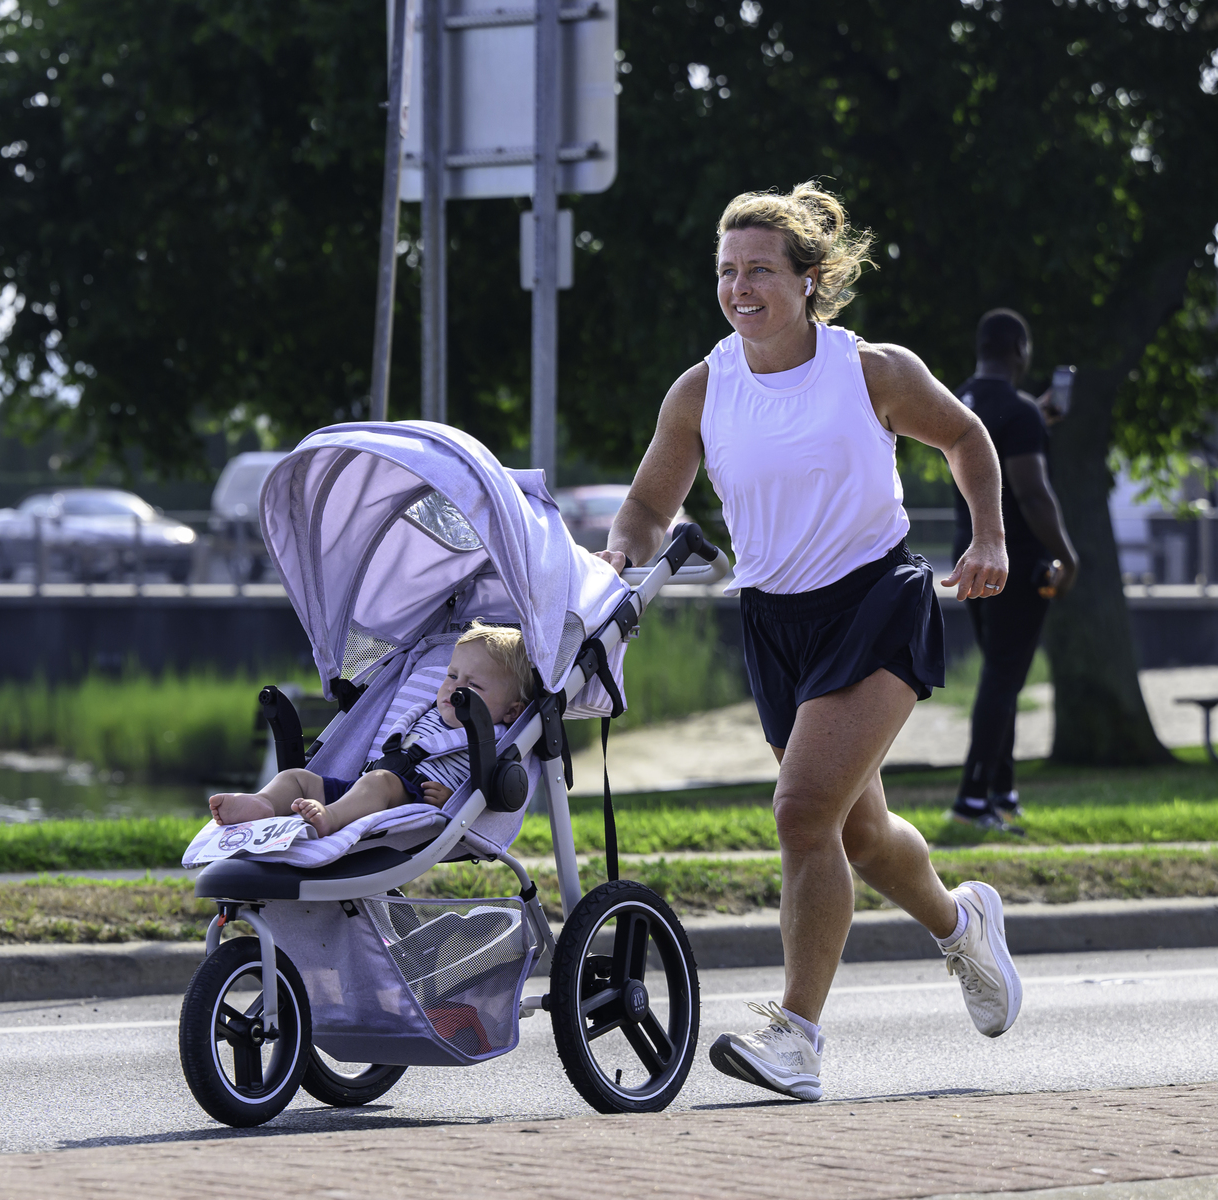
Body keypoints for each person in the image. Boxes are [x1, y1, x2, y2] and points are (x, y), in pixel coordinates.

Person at [598, 182, 1022, 1102]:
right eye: (726, 271)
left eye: (758, 270)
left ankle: (797, 1036)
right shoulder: (704, 387)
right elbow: (645, 505)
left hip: (875, 602)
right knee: (859, 831)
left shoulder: (871, 371)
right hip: (777, 623)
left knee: (800, 813)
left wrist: (987, 535)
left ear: (811, 278)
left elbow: (967, 436)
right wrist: (620, 558)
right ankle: (963, 925)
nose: (740, 288)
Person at [206, 621, 531, 838]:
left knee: (381, 781)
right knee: (298, 778)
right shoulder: (426, 711)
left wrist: (453, 801)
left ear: (511, 710)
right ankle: (263, 803)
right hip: (365, 787)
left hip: (410, 802)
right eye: (451, 676)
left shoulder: (496, 738)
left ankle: (329, 819)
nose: (454, 689)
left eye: (473, 685)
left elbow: (483, 788)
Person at [949, 309, 1079, 830]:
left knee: (999, 676)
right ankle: (971, 799)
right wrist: (1068, 556)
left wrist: (1035, 417)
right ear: (1020, 351)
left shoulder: (960, 399)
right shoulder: (1020, 413)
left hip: (968, 555)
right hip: (1015, 563)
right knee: (1003, 680)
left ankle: (1000, 791)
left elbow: (993, 445)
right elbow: (1030, 491)